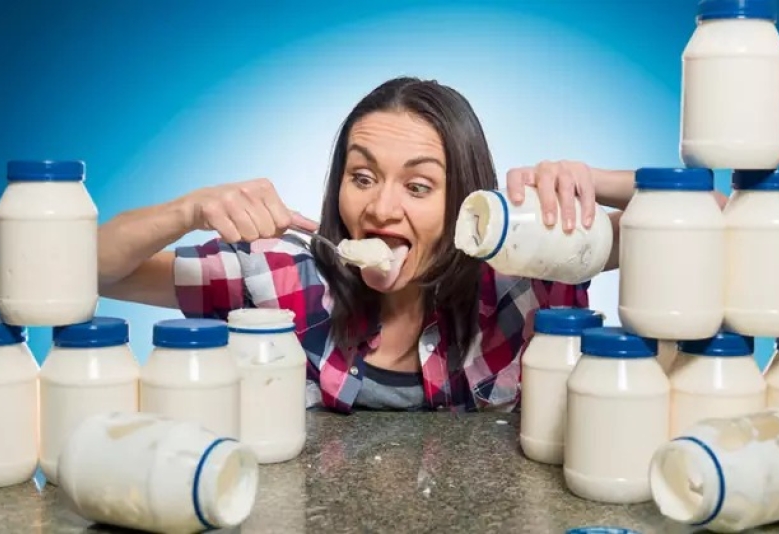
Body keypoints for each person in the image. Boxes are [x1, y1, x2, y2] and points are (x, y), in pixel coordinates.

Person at [98, 76, 639, 414]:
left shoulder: (526, 278)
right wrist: (187, 210)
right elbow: (86, 272)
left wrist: (595, 180)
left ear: (465, 203)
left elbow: (711, 223)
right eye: (362, 177)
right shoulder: (280, 280)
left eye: (418, 186)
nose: (380, 208)